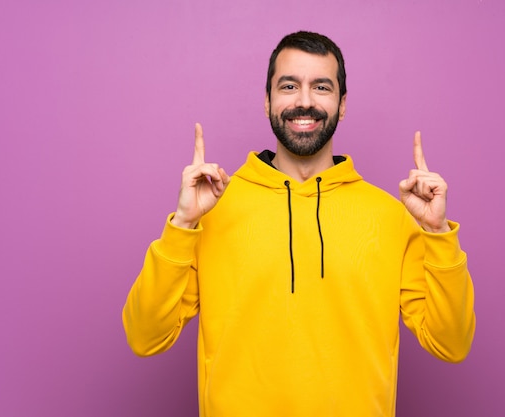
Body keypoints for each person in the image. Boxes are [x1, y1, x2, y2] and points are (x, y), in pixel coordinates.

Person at [123, 31, 475, 417]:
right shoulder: (211, 210)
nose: (304, 101)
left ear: (342, 105)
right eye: (289, 86)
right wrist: (184, 225)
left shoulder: (390, 216)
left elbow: (451, 344)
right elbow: (145, 337)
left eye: (321, 87)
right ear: (267, 101)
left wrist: (438, 235)